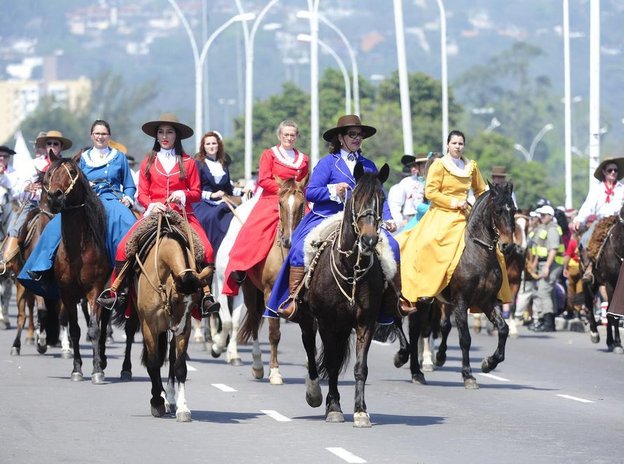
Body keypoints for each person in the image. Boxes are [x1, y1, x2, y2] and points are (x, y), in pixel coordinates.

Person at [265, 114, 408, 321]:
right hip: (328, 215)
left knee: (393, 246)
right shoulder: (328, 163)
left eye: (359, 135)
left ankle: (394, 300)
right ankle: (293, 299)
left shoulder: (369, 165)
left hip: (362, 219)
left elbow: (379, 196)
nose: (356, 138)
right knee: (298, 247)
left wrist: (387, 217)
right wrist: (333, 190)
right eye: (352, 134)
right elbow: (311, 192)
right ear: (341, 138)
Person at [96, 113, 219, 317]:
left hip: (183, 215)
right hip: (155, 213)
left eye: (169, 132)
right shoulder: (148, 161)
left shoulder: (188, 162)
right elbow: (142, 193)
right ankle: (118, 291)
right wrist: (151, 204)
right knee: (122, 248)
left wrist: (184, 194)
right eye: (161, 132)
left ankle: (205, 296)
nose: (164, 136)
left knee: (206, 250)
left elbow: (197, 192)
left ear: (176, 136)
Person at [18, 120, 137, 298]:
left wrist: (127, 198)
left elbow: (129, 185)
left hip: (112, 200)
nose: (100, 137)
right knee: (54, 225)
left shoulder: (119, 157)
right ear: (91, 135)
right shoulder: (83, 158)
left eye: (104, 134)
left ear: (109, 136)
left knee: (128, 222)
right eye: (97, 133)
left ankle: (127, 274)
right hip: (87, 202)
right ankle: (41, 267)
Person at [397, 130, 511, 308]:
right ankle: (426, 290)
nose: (458, 146)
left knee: (492, 248)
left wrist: (484, 207)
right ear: (448, 145)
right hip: (441, 213)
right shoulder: (439, 165)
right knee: (429, 244)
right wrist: (453, 202)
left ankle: (493, 292)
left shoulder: (471, 166)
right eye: (454, 143)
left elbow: (481, 190)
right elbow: (431, 192)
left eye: (461, 144)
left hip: (465, 213)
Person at [222, 120, 309, 296]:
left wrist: (298, 195)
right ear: (280, 135)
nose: (289, 138)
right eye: (286, 134)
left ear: (297, 137)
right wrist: (284, 191)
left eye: (292, 135)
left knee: (312, 226)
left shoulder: (304, 159)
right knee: (255, 229)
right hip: (272, 198)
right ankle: (240, 266)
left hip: (296, 201)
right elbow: (263, 179)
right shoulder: (269, 154)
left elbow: (304, 183)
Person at [1, 131, 69, 271]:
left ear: (61, 147)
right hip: (35, 204)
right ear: (44, 147)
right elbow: (18, 189)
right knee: (16, 223)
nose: (52, 146)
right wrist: (27, 187)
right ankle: (6, 260)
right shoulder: (33, 164)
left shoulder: (66, 166)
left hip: (60, 206)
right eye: (48, 143)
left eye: (55, 144)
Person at [570, 157, 624, 281]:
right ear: (604, 172)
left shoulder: (622, 189)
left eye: (615, 170)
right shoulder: (597, 189)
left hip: (619, 221)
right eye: (610, 170)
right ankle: (589, 268)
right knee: (585, 239)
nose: (613, 173)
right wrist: (578, 219)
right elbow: (588, 206)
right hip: (602, 222)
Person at [192, 130, 240, 253]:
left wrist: (243, 192)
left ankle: (229, 252)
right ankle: (209, 253)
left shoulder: (223, 164)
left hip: (222, 202)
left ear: (219, 145)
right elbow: (194, 189)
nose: (211, 146)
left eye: (214, 143)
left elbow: (229, 189)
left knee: (234, 216)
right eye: (208, 144)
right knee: (212, 217)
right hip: (202, 203)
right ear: (203, 146)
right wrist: (212, 195)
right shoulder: (198, 164)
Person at [527, 204, 564, 332]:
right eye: (541, 215)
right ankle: (549, 322)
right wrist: (535, 263)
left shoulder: (553, 229)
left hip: (552, 264)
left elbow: (553, 250)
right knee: (549, 292)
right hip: (544, 262)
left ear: (550, 216)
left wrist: (547, 267)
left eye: (543, 215)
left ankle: (547, 322)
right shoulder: (545, 228)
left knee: (544, 291)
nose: (541, 217)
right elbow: (539, 248)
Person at [387, 153, 428, 231]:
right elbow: (395, 204)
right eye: (423, 166)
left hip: (431, 219)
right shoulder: (407, 182)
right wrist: (399, 221)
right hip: (410, 220)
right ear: (417, 167)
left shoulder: (436, 181)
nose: (426, 169)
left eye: (428, 166)